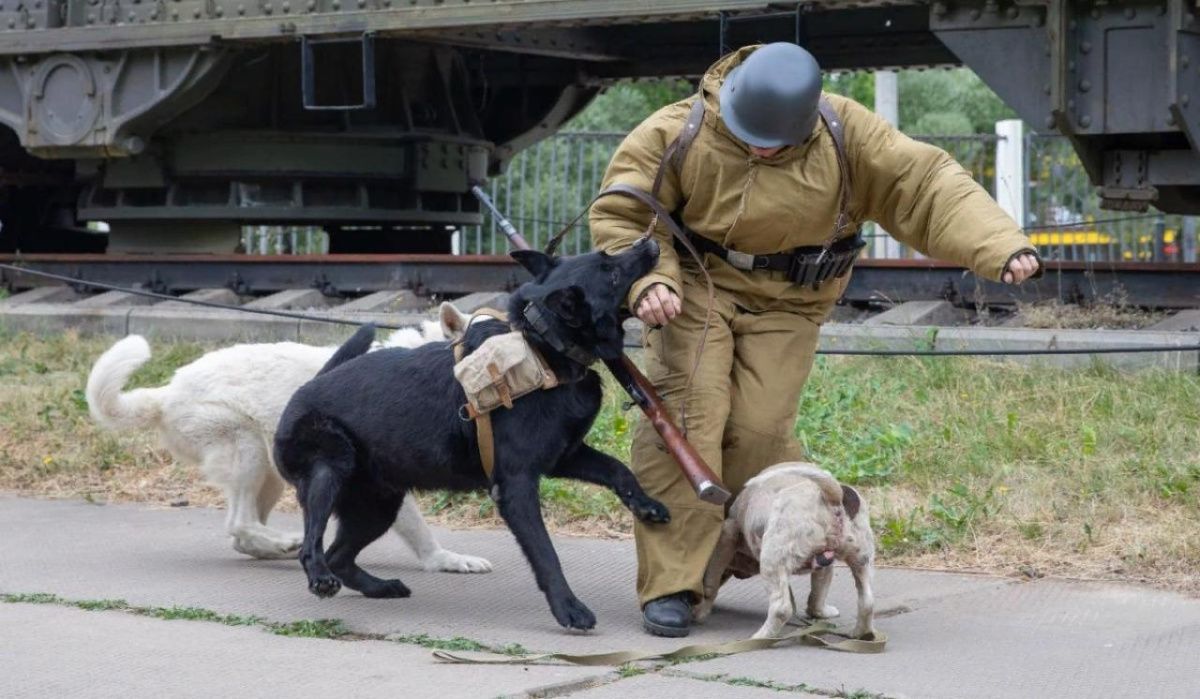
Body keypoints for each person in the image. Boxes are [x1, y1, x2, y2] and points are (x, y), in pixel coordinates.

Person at [589, 42, 1041, 637]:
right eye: (748, 133)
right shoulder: (678, 130)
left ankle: (729, 561)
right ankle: (674, 583)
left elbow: (924, 183)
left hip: (793, 301)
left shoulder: (845, 132)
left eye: (771, 141)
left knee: (760, 431)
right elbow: (625, 214)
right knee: (689, 412)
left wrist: (999, 244)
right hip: (696, 288)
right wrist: (648, 282)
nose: (757, 147)